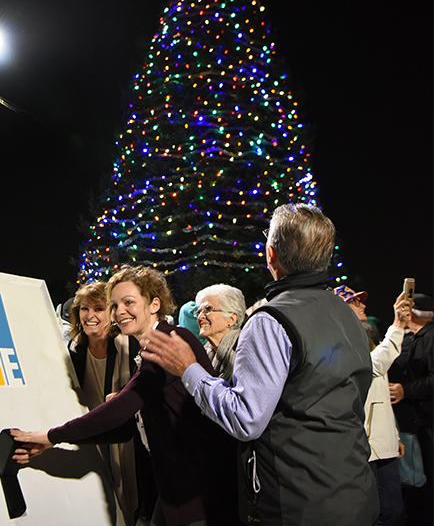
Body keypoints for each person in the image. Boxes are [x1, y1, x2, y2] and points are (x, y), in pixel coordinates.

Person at [140, 203, 379, 526]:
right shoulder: (346, 315)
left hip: (296, 504)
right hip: (356, 494)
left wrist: (188, 369)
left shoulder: (271, 321)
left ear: (271, 254)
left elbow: (245, 419)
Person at [12, 265, 239, 526]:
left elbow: (121, 408)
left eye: (128, 302)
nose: (119, 311)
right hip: (176, 486)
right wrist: (55, 441)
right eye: (114, 305)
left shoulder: (170, 340)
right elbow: (126, 428)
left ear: (154, 304)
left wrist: (52, 435)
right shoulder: (146, 350)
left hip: (199, 488)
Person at [335, 284, 412, 526]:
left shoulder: (362, 338)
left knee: (392, 509)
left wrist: (394, 434)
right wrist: (398, 324)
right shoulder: (339, 340)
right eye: (355, 302)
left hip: (381, 441)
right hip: (365, 445)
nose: (363, 305)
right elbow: (374, 366)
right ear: (341, 308)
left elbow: (379, 391)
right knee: (382, 511)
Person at [67, 282, 140, 526]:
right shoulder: (74, 350)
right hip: (92, 440)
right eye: (84, 309)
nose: (89, 316)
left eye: (97, 308)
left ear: (111, 313)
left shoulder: (129, 346)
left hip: (130, 444)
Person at [388, 292, 433, 526]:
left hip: (427, 421)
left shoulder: (431, 337)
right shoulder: (410, 337)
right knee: (414, 481)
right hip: (411, 421)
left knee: (425, 482)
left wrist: (406, 390)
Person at [193, 284, 246, 382]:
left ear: (231, 319)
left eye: (208, 309)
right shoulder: (206, 352)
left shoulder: (243, 354)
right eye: (199, 311)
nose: (200, 317)